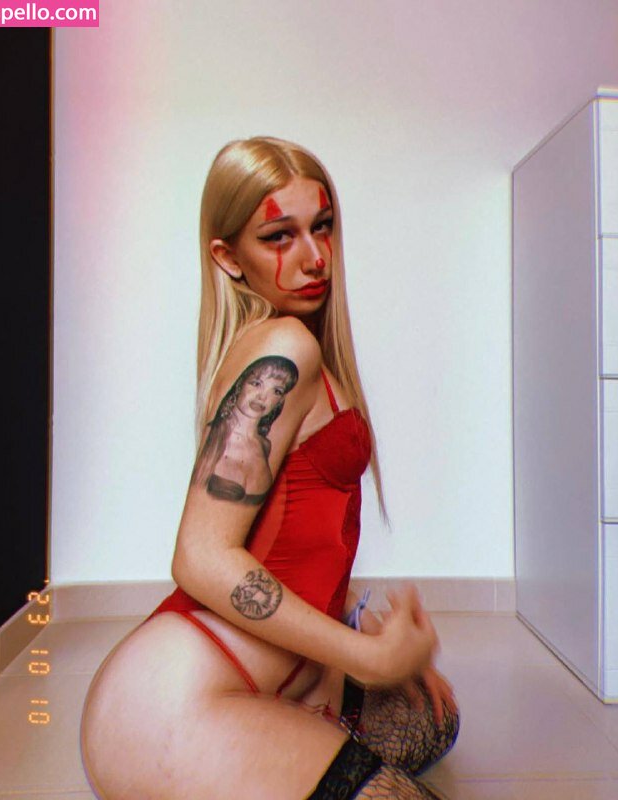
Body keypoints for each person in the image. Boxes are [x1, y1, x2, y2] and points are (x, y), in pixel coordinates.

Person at [80, 136, 460, 799]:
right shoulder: (282, 349)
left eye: (323, 226)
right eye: (279, 236)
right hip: (170, 707)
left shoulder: (301, 344)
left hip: (268, 679)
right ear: (228, 258)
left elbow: (295, 533)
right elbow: (201, 556)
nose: (314, 257)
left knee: (433, 721)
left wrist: (353, 629)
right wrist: (367, 657)